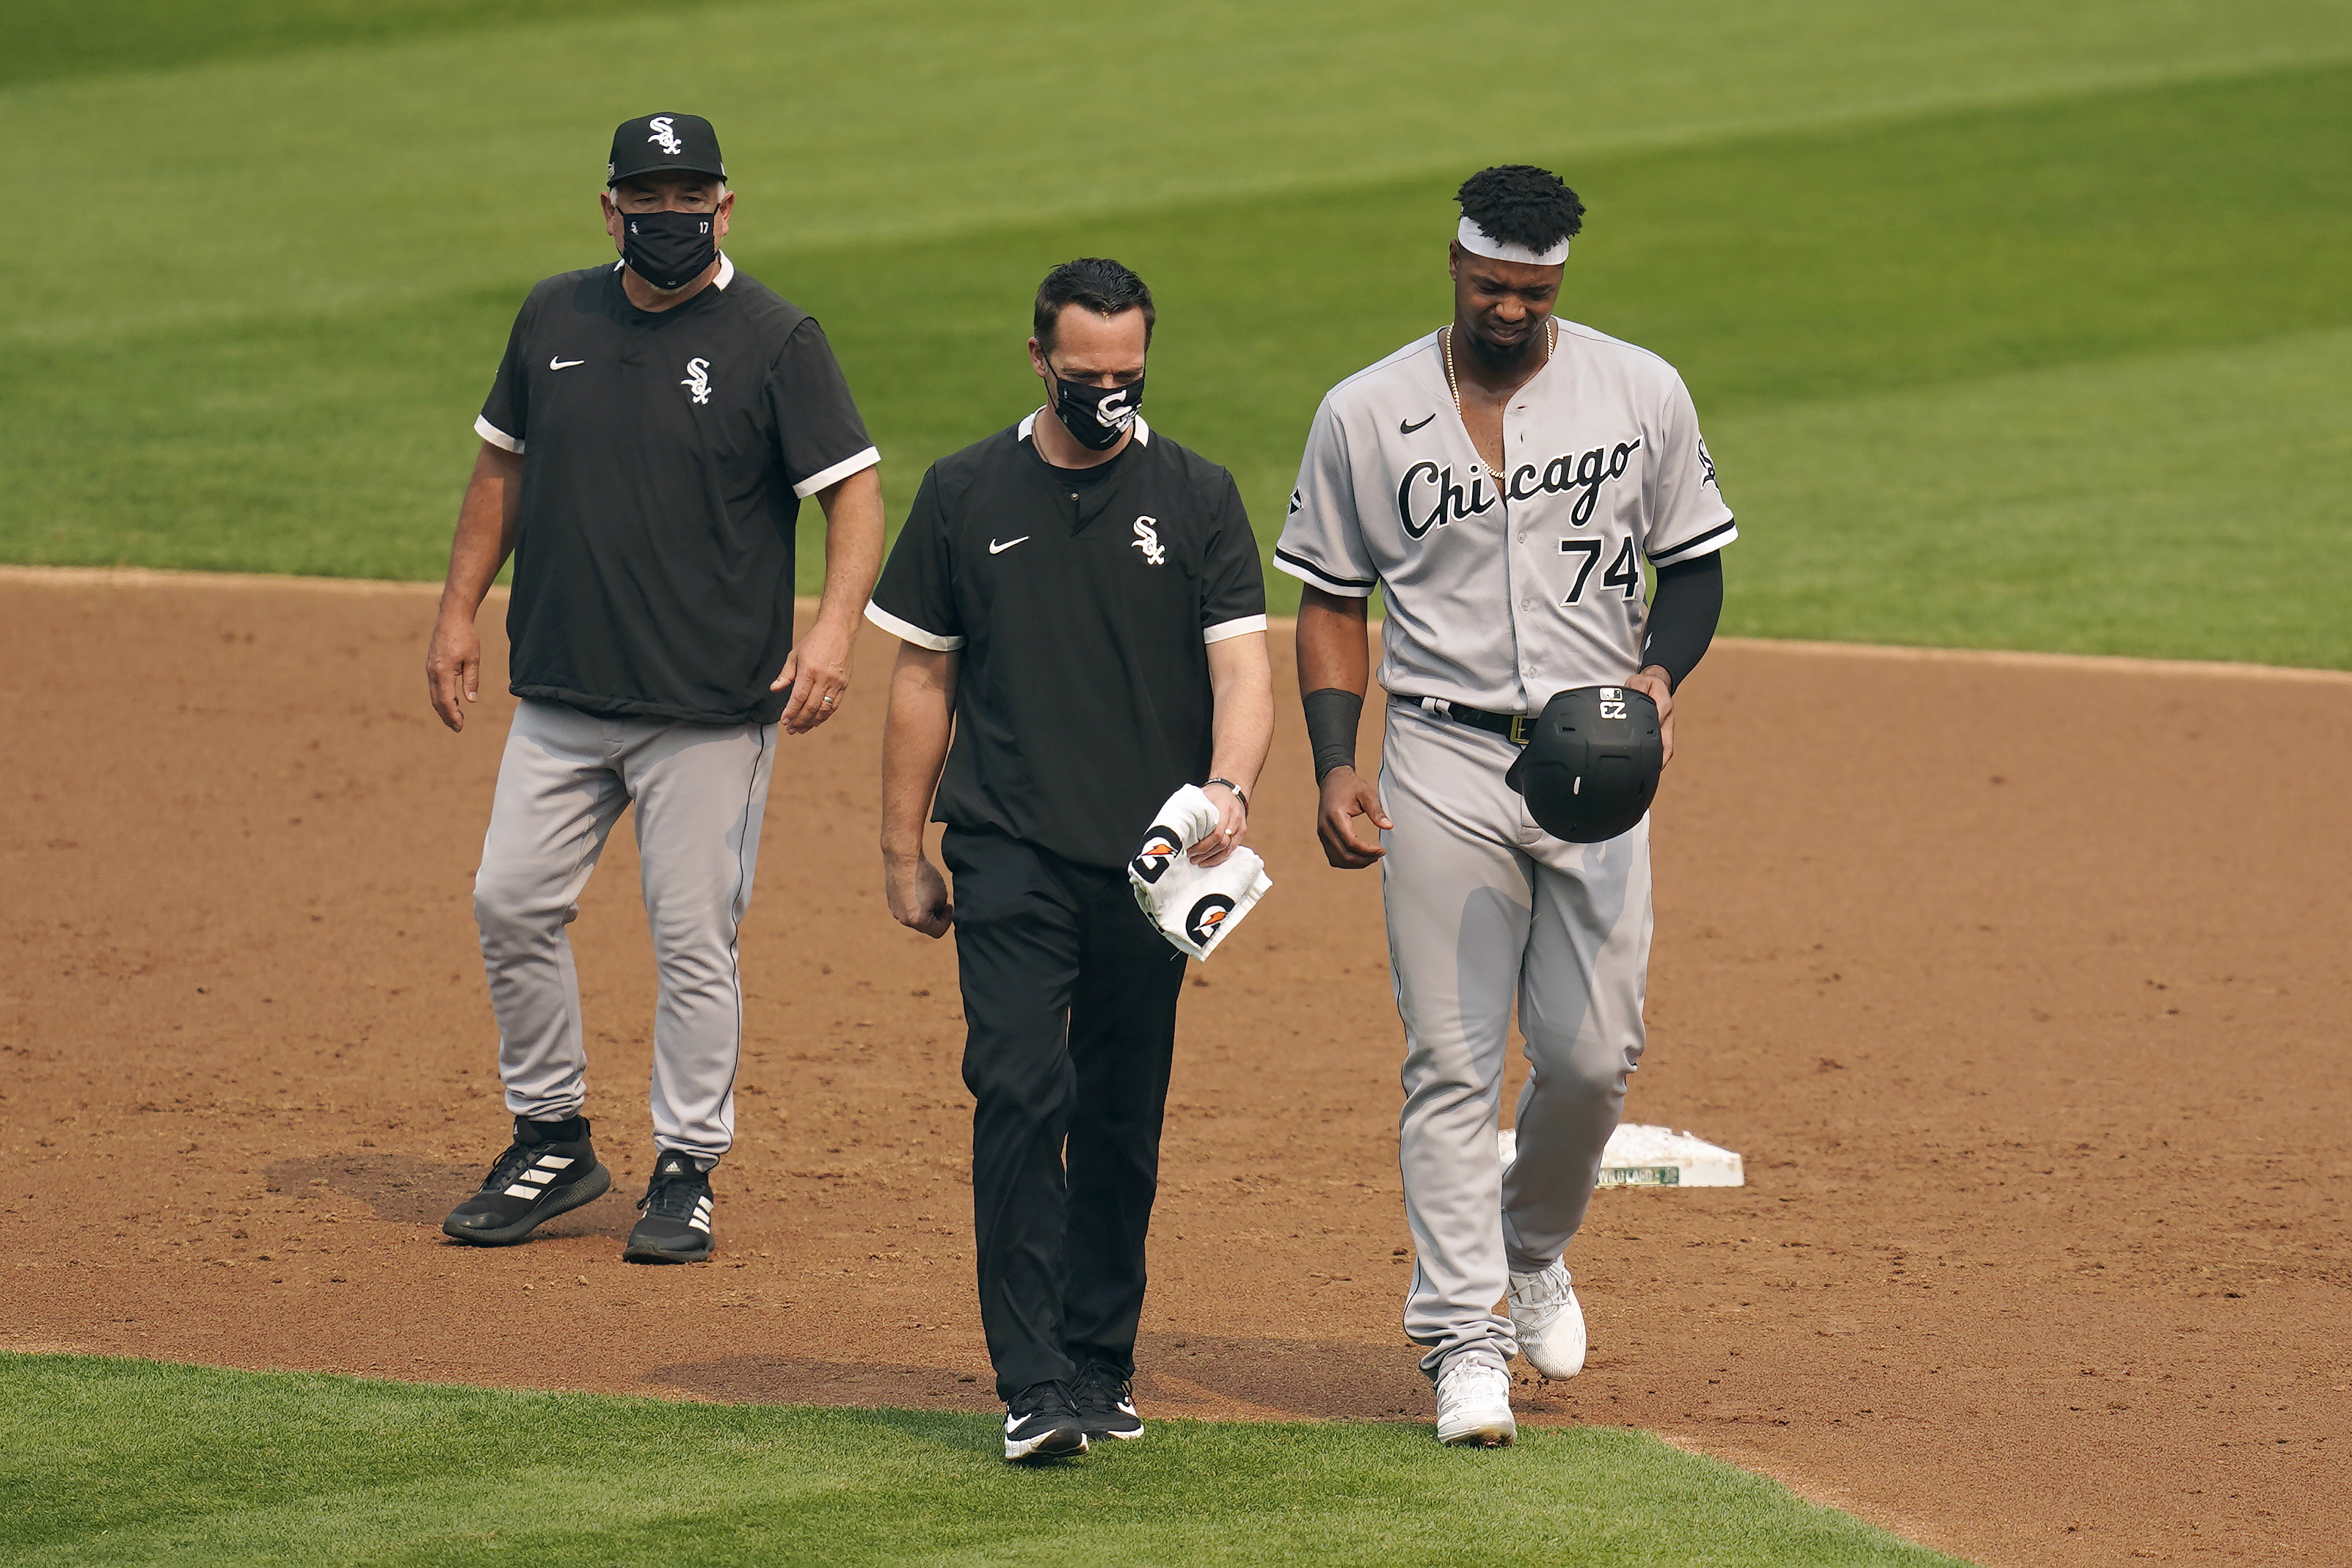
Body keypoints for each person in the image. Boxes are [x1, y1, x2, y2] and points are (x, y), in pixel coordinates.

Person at [1274, 166, 1733, 1445]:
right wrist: (1331, 756)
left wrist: (1658, 673)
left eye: (1535, 293)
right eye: (1492, 288)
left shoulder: (1639, 389)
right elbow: (1328, 601)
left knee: (1593, 1057)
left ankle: (1532, 1247)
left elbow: (1691, 564)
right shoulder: (1364, 412)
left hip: (1598, 762)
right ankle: (1460, 1336)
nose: (1512, 312)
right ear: (1456, 267)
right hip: (1441, 757)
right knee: (1451, 1060)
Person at [426, 113, 884, 1265]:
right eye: (649, 196)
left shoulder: (777, 338)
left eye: (691, 197)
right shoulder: (554, 315)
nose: (669, 216)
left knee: (692, 940)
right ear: (610, 206)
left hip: (707, 709)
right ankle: (551, 1135)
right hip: (564, 690)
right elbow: (501, 467)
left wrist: (830, 632)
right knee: (508, 901)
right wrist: (455, 609)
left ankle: (686, 1165)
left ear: (725, 206)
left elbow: (855, 492)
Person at [866, 258, 1273, 1461]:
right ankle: (1032, 1378)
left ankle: (1100, 1360)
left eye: (1128, 374)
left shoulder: (1197, 494)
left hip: (1150, 870)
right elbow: (923, 677)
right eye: (1084, 373)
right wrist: (903, 846)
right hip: (1009, 852)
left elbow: (1242, 667)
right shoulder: (963, 491)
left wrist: (1229, 790)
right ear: (1037, 358)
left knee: (1117, 1117)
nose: (1107, 392)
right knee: (1016, 1091)